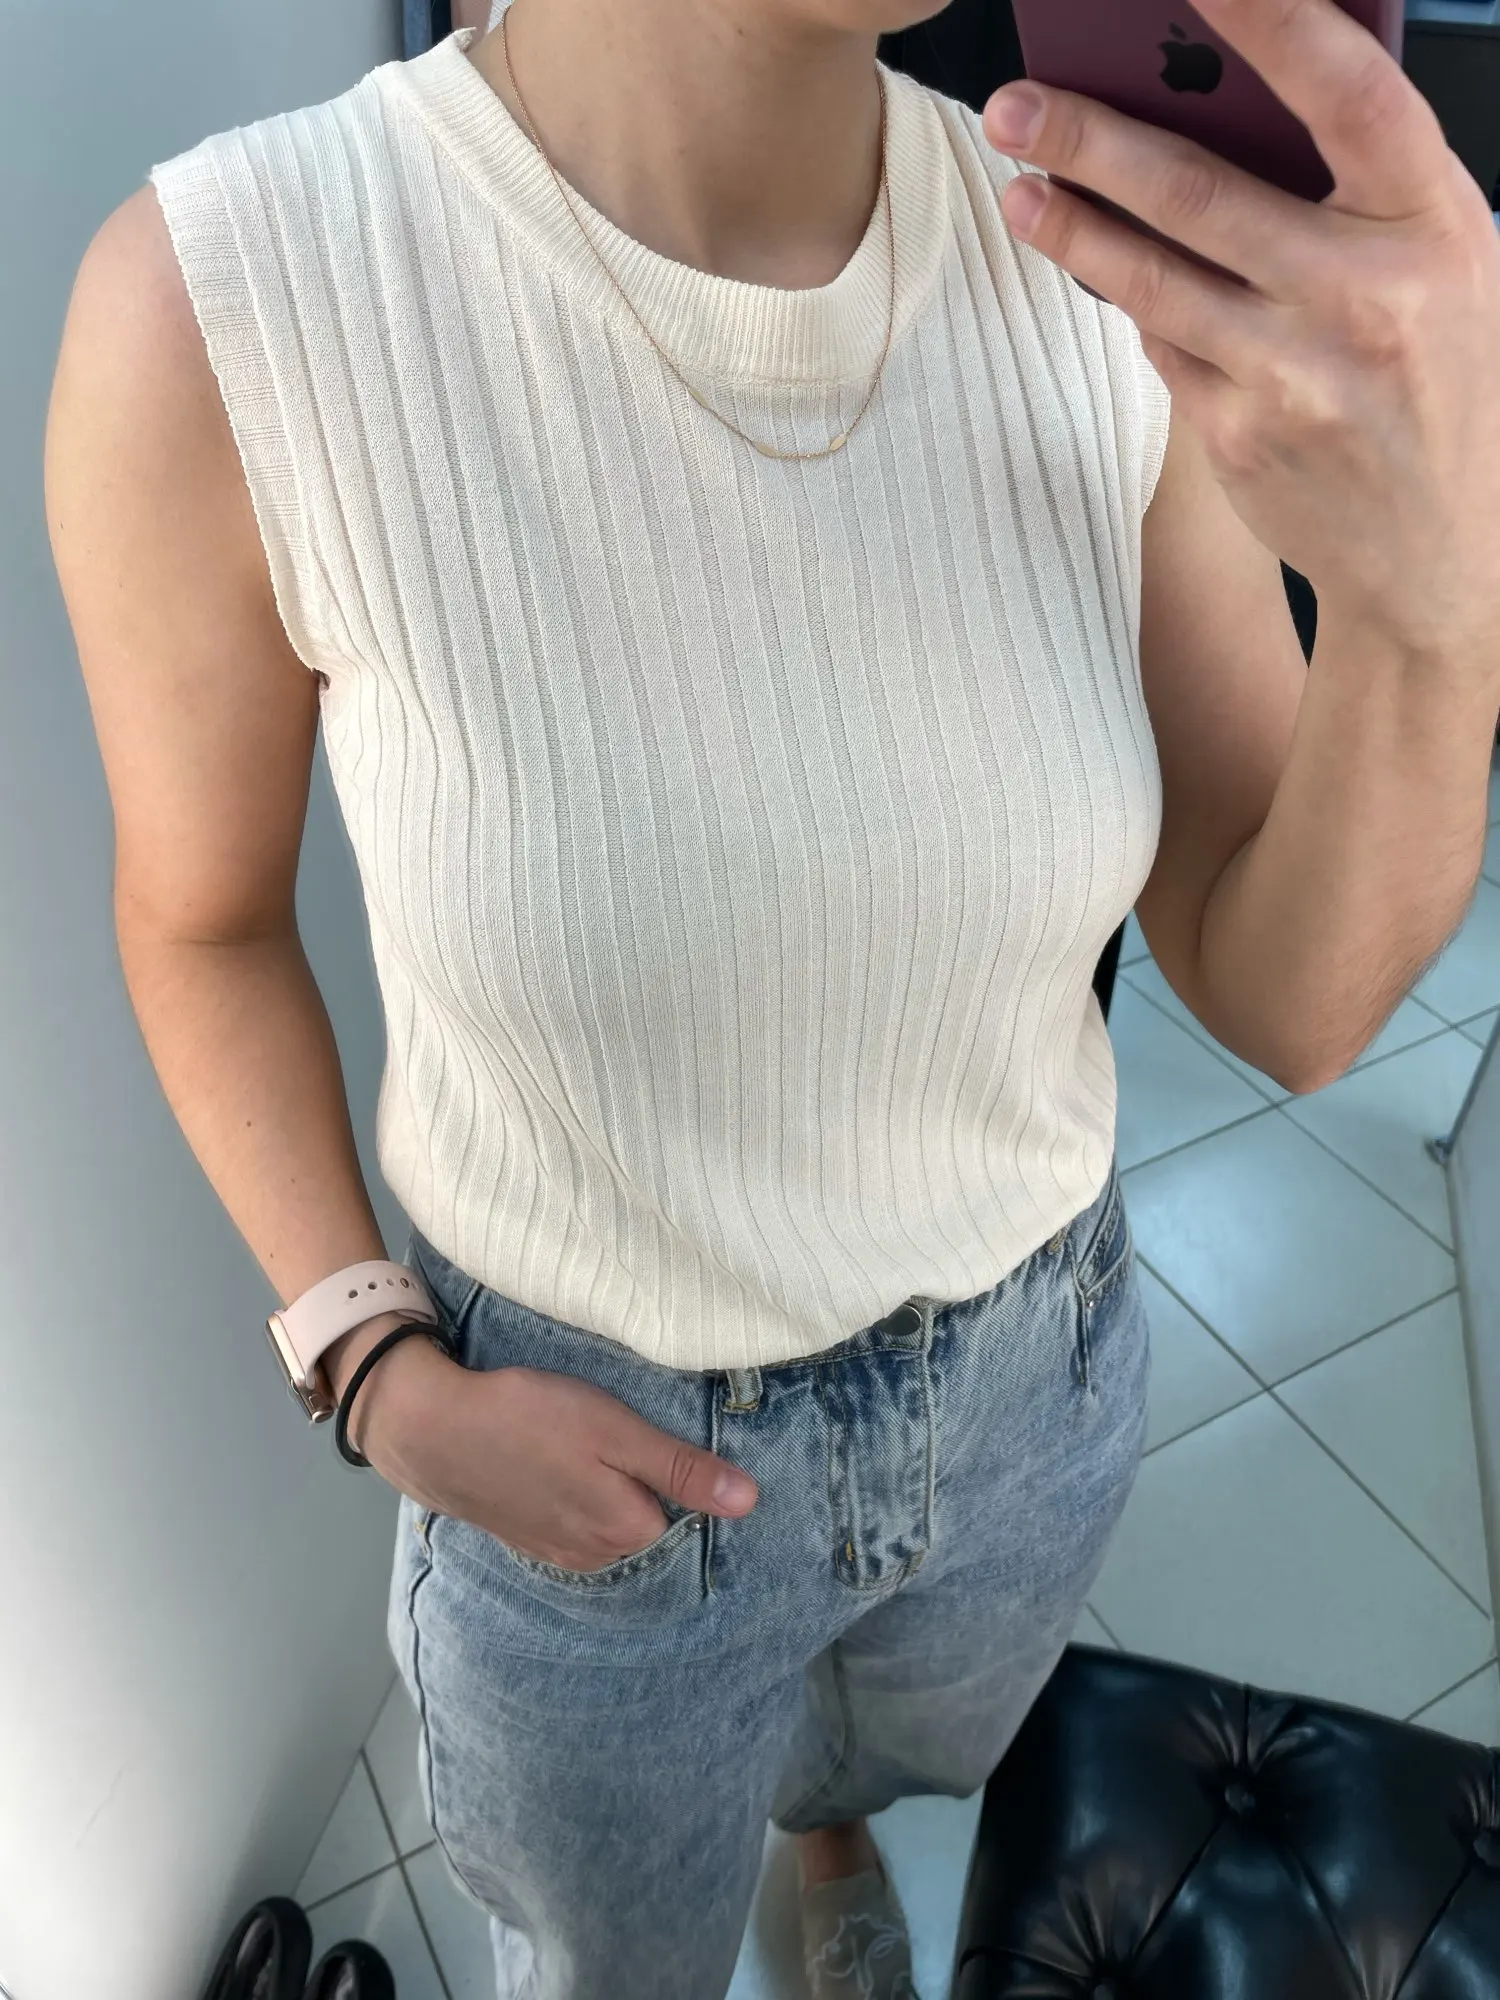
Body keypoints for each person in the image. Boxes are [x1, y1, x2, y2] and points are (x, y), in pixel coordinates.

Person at [45, 0, 1500, 1993]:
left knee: (894, 1761)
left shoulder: (1095, 266)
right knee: (612, 1961)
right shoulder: (232, 305)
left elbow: (1294, 999)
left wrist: (1438, 607)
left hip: (1029, 1396)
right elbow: (202, 922)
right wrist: (368, 1362)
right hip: (580, 1455)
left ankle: (827, 1830)